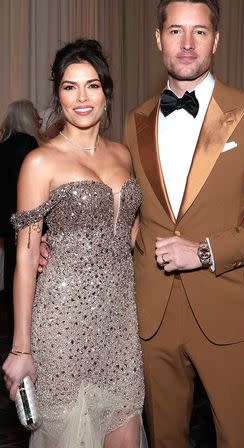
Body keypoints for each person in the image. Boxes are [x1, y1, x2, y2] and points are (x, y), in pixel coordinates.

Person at [123, 0, 244, 448]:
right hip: (152, 315)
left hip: (227, 313)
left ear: (216, 40)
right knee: (166, 439)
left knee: (241, 437)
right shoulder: (135, 120)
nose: (187, 44)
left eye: (199, 32)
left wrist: (208, 251)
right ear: (158, 38)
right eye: (176, 31)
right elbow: (128, 210)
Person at [2, 39, 145, 448]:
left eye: (92, 85)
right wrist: (21, 347)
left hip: (120, 323)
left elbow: (129, 233)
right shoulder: (40, 162)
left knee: (126, 431)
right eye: (69, 86)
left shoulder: (122, 155)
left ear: (107, 93)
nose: (81, 97)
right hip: (62, 323)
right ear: (58, 95)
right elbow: (26, 258)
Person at [0, 100, 39, 342]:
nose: (39, 119)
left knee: (11, 271)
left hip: (5, 220)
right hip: (25, 219)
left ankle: (16, 330)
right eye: (35, 115)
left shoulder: (2, 146)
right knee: (28, 272)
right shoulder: (28, 144)